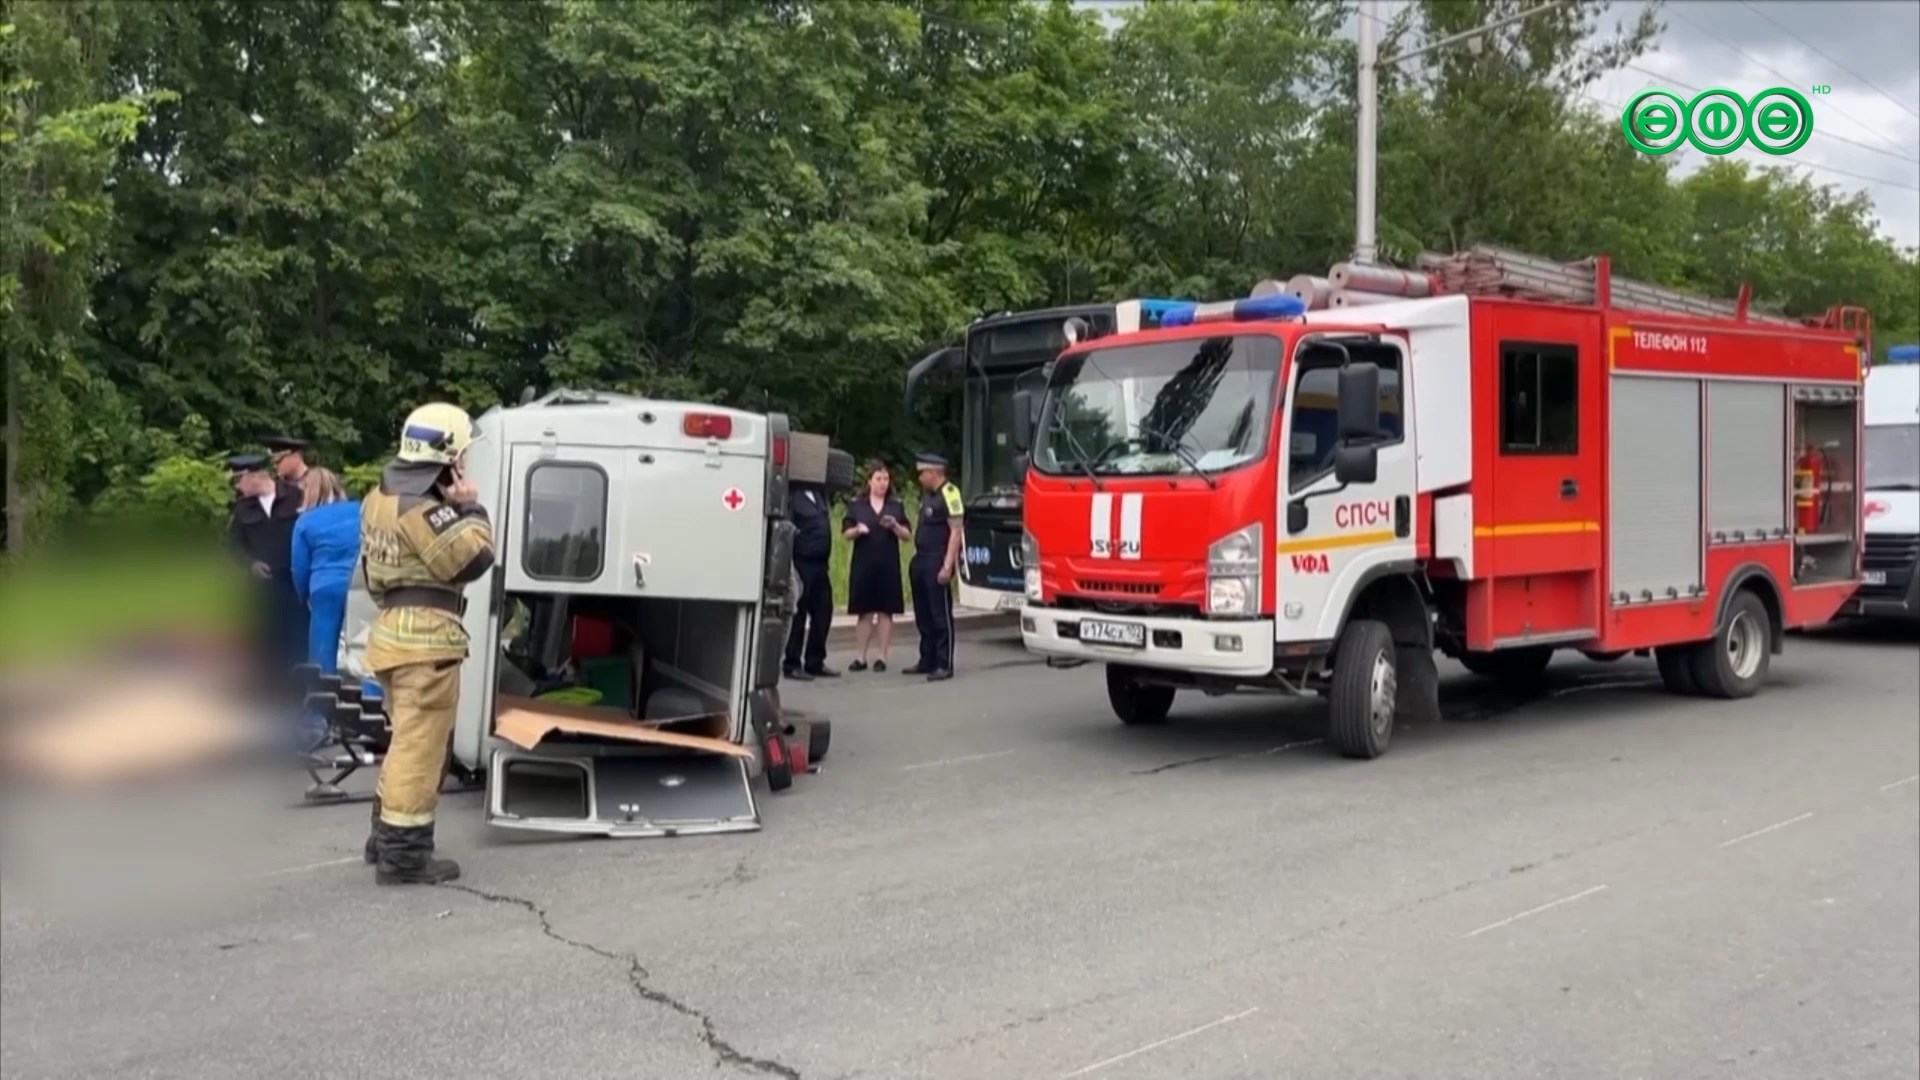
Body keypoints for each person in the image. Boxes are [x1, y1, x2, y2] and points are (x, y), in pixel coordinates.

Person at [358, 403, 494, 885]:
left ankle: (384, 836)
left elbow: (373, 575)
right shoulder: (423, 508)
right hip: (426, 643)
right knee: (421, 748)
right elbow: (474, 557)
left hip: (392, 632)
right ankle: (404, 855)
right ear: (450, 458)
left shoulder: (379, 498)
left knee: (404, 742)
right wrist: (471, 506)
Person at [226, 453, 308, 704]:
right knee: (266, 640)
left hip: (295, 584)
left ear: (254, 477)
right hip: (262, 588)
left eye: (238, 481)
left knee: (297, 637)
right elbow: (233, 545)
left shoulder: (295, 497)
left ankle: (299, 693)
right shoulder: (242, 509)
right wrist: (250, 564)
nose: (237, 489)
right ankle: (272, 695)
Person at [291, 467, 361, 677]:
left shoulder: (305, 521)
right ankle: (371, 700)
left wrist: (303, 596)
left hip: (325, 588)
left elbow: (299, 567)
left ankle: (322, 705)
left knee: (323, 652)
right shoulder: (360, 510)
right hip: (360, 585)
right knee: (364, 649)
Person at [842, 461, 909, 671]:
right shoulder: (857, 505)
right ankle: (860, 657)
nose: (883, 484)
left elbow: (907, 535)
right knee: (864, 611)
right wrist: (857, 530)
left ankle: (882, 657)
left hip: (888, 564)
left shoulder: (895, 506)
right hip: (864, 563)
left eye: (886, 479)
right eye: (878, 479)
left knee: (885, 611)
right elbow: (846, 533)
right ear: (869, 481)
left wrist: (895, 526)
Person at [905, 452, 964, 681]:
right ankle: (926, 659)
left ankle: (943, 663)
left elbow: (956, 531)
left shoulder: (950, 493)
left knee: (940, 614)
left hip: (937, 559)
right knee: (923, 614)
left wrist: (948, 565)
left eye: (922, 473)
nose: (920, 477)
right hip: (921, 558)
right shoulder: (928, 495)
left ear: (933, 472)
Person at [783, 471, 839, 681]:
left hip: (820, 564)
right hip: (801, 562)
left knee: (824, 612)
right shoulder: (792, 495)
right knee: (798, 615)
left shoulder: (819, 494)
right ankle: (792, 663)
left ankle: (815, 660)